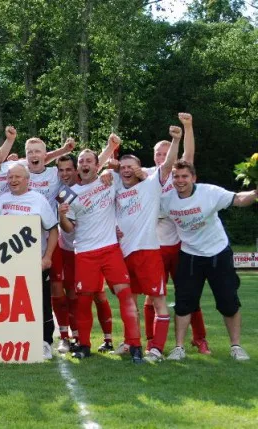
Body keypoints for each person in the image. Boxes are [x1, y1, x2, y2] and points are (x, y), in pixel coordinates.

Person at [59, 135, 144, 363]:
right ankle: (84, 345)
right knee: (83, 300)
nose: (85, 164)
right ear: (78, 167)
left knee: (125, 295)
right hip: (84, 252)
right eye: (81, 161)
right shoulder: (68, 193)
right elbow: (68, 229)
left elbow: (133, 175)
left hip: (110, 249)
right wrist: (61, 215)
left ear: (97, 165)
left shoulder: (110, 179)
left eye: (89, 161)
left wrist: (111, 167)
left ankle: (135, 345)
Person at [162, 160, 257, 361]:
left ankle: (236, 346)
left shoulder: (209, 192)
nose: (180, 180)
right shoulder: (166, 200)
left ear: (193, 178)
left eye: (185, 176)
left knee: (228, 301)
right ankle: (179, 348)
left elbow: (239, 199)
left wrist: (255, 193)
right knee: (183, 303)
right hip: (189, 255)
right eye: (176, 176)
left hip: (218, 253)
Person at [110, 125, 181, 361]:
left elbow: (168, 165)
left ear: (139, 168)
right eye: (123, 167)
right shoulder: (116, 186)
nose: (126, 170)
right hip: (123, 254)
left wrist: (176, 140)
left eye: (131, 166)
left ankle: (156, 348)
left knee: (158, 300)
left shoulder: (151, 184)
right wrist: (110, 158)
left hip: (148, 252)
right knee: (129, 302)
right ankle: (131, 342)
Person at [142, 113, 210, 354]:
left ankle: (199, 338)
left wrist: (188, 127)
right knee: (152, 296)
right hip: (154, 246)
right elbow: (125, 174)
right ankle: (151, 340)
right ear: (153, 157)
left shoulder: (178, 174)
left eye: (165, 153)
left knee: (188, 293)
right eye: (158, 154)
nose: (162, 157)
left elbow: (189, 154)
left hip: (180, 245)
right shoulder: (147, 174)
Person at [51, 139, 119, 354]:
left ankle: (107, 339)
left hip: (89, 248)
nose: (65, 174)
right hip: (66, 247)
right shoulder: (63, 192)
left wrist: (110, 155)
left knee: (97, 294)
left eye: (69, 169)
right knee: (67, 293)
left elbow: (98, 164)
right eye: (61, 170)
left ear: (77, 170)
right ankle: (69, 337)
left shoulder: (90, 182)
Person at [0, 164, 59, 359]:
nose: (13, 180)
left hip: (35, 263)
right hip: (9, 263)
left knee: (41, 303)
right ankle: (16, 340)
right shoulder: (2, 200)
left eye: (18, 177)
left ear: (27, 180)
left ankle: (46, 342)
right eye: (10, 177)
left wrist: (47, 257)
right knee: (13, 303)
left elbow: (53, 230)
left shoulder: (38, 200)